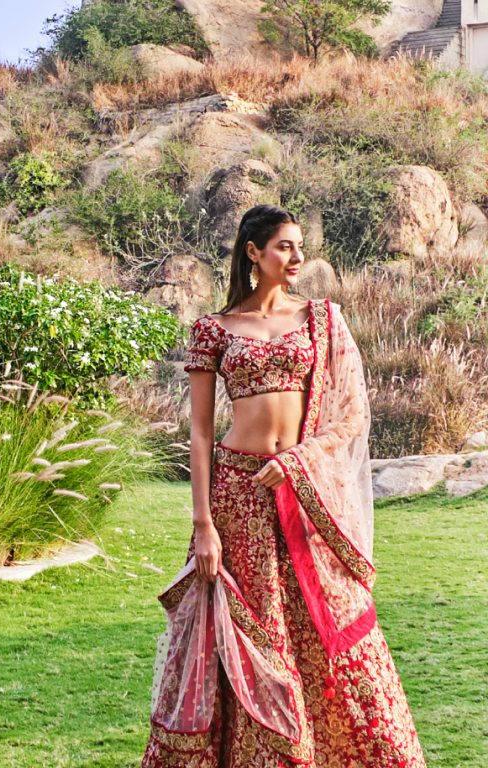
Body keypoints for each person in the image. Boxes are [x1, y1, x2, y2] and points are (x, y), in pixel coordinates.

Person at [142, 205, 427, 767]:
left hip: (302, 496)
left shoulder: (323, 319)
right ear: (253, 252)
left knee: (334, 625)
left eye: (300, 247)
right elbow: (200, 434)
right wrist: (203, 524)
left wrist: (298, 460)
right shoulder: (214, 329)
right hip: (235, 498)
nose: (297, 258)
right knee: (257, 634)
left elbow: (352, 416)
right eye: (284, 248)